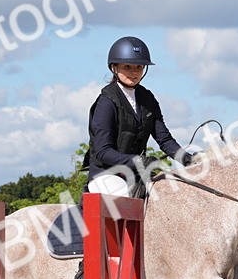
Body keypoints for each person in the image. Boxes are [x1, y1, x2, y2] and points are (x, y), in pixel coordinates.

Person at [84, 35, 196, 198]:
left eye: (139, 67)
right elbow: (102, 151)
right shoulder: (106, 102)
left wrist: (187, 159)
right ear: (114, 67)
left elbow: (164, 139)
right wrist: (137, 161)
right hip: (106, 175)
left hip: (135, 174)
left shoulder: (147, 98)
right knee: (125, 195)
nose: (134, 72)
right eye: (127, 67)